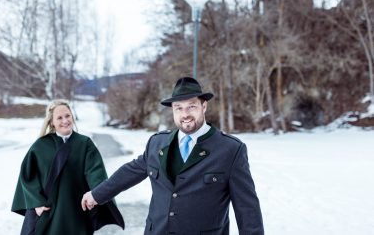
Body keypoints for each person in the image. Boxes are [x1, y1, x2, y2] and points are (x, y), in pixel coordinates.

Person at [82, 77, 264, 234]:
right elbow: (130, 172)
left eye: (191, 106)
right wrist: (97, 195)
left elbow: (248, 210)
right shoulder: (157, 143)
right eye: (178, 108)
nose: (185, 114)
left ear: (204, 106)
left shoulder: (230, 150)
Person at [11, 99, 124, 235]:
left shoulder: (85, 144)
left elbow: (96, 173)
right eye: (59, 118)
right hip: (48, 212)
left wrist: (97, 194)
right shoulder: (40, 146)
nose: (65, 121)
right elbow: (27, 177)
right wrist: (36, 203)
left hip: (76, 212)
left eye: (67, 116)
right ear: (52, 121)